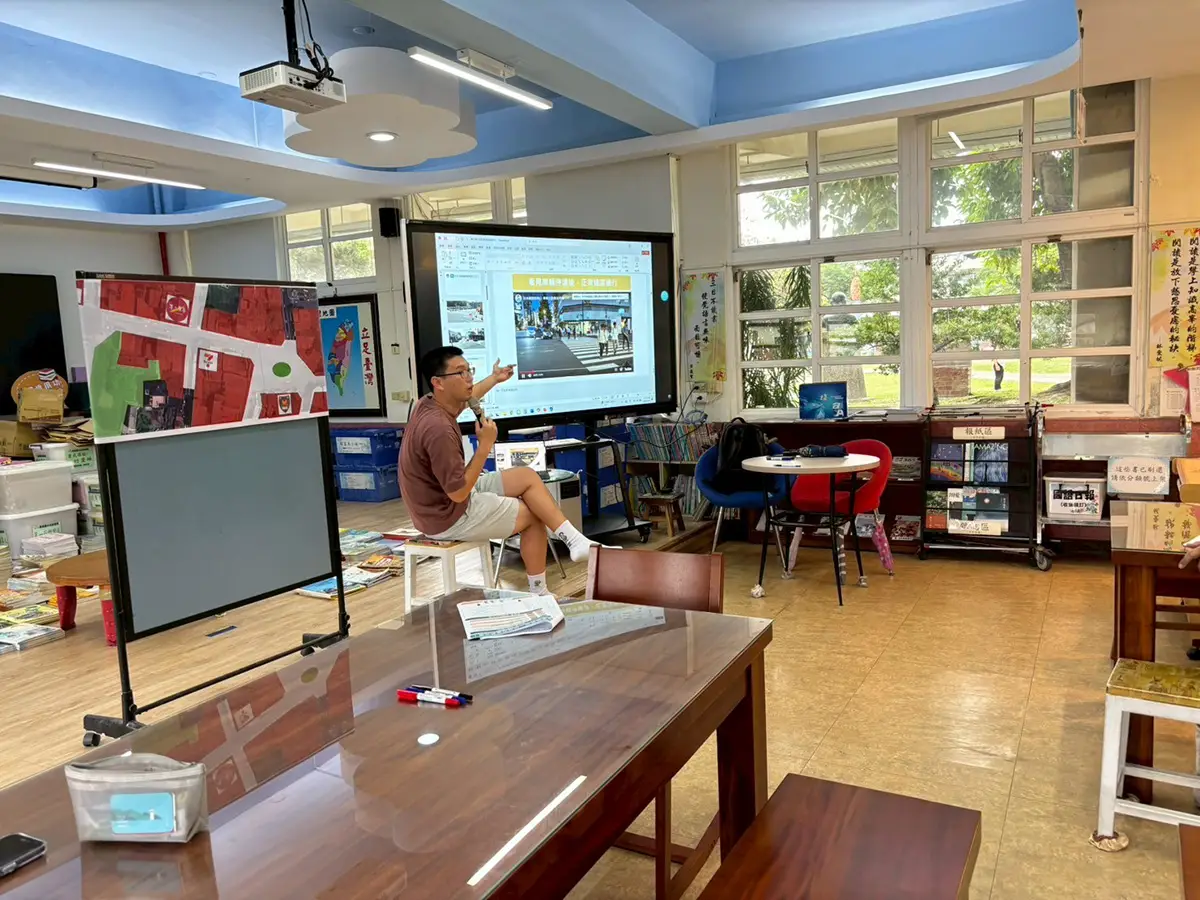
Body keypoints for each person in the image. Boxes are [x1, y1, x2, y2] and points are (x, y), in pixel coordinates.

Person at [399, 346, 602, 595]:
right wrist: (485, 446)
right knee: (533, 516)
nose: (469, 378)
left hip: (440, 502)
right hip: (445, 515)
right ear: (438, 382)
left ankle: (574, 540)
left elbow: (470, 394)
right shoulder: (437, 428)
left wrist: (494, 379)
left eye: (469, 370)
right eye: (461, 373)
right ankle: (539, 593)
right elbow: (458, 493)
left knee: (526, 476)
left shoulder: (430, 403)